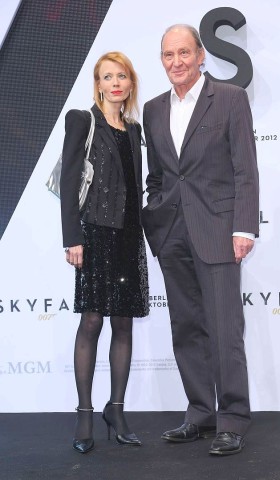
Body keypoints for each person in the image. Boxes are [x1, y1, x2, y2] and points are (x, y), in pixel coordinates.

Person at [142, 25, 259, 456]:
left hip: (218, 231)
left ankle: (232, 418)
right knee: (186, 327)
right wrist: (155, 218)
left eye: (184, 53)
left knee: (225, 328)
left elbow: (245, 168)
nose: (177, 62)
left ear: (201, 54)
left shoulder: (229, 99)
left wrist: (243, 228)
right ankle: (199, 413)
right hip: (171, 234)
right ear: (163, 60)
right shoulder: (154, 109)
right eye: (169, 55)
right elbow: (156, 175)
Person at [60, 51, 149, 454]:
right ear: (98, 83)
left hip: (129, 235)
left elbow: (136, 184)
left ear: (130, 84)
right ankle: (84, 413)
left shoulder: (133, 129)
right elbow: (68, 181)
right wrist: (71, 236)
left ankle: (117, 409)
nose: (115, 83)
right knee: (92, 321)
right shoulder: (82, 120)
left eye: (122, 76)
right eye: (107, 76)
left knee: (124, 325)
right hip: (94, 234)